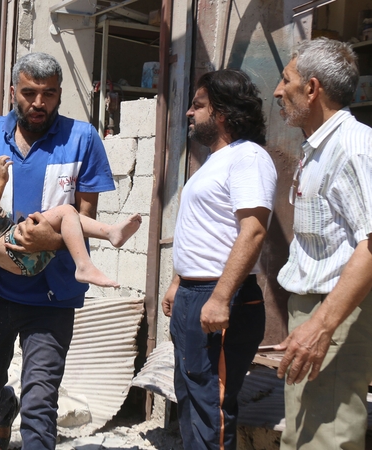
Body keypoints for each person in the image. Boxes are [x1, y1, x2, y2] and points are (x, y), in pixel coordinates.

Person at [0, 52, 115, 450]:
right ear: (13, 90)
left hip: (52, 297)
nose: (39, 103)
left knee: (41, 404)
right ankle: (2, 413)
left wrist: (50, 240)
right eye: (30, 92)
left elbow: (85, 216)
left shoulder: (82, 139)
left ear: (59, 95)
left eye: (48, 94)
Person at [273, 37, 372, 450]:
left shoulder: (355, 146)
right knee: (303, 438)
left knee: (326, 441)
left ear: (312, 88)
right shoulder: (320, 147)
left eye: (286, 80)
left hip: (339, 316)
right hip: (320, 314)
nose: (277, 90)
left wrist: (321, 326)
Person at [161, 69, 276, 450]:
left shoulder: (248, 157)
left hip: (221, 296)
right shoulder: (213, 162)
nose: (190, 114)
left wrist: (221, 297)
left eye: (198, 105)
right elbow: (206, 230)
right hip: (196, 295)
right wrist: (179, 282)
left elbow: (253, 231)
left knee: (214, 407)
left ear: (223, 113)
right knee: (192, 397)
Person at [0, 152, 141, 287]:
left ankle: (110, 234)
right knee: (66, 212)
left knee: (67, 215)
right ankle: (87, 261)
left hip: (17, 258)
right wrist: (1, 180)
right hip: (11, 244)